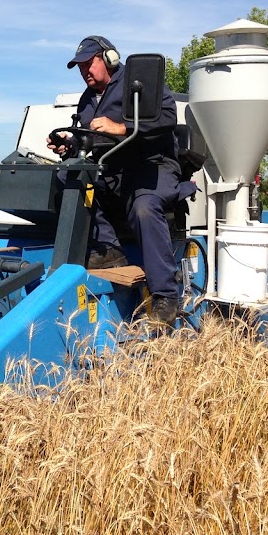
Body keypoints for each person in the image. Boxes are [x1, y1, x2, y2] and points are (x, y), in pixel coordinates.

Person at [49, 35, 194, 327]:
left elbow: (167, 117)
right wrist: (70, 144)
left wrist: (121, 127)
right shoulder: (88, 98)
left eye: (88, 63)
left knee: (144, 206)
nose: (84, 71)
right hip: (114, 168)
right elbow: (90, 139)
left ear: (109, 58)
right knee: (69, 176)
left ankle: (166, 295)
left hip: (152, 167)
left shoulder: (139, 81)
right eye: (79, 67)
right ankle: (110, 249)